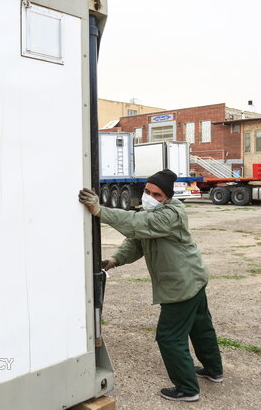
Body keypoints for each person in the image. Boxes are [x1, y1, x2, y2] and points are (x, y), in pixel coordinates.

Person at [78, 169, 223, 402]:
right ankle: (214, 371)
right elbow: (137, 240)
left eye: (156, 194)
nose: (149, 196)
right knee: (200, 326)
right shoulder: (153, 212)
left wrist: (100, 211)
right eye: (147, 191)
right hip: (193, 279)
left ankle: (187, 389)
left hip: (182, 285)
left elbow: (138, 224)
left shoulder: (171, 214)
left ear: (167, 197)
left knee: (169, 337)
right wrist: (114, 260)